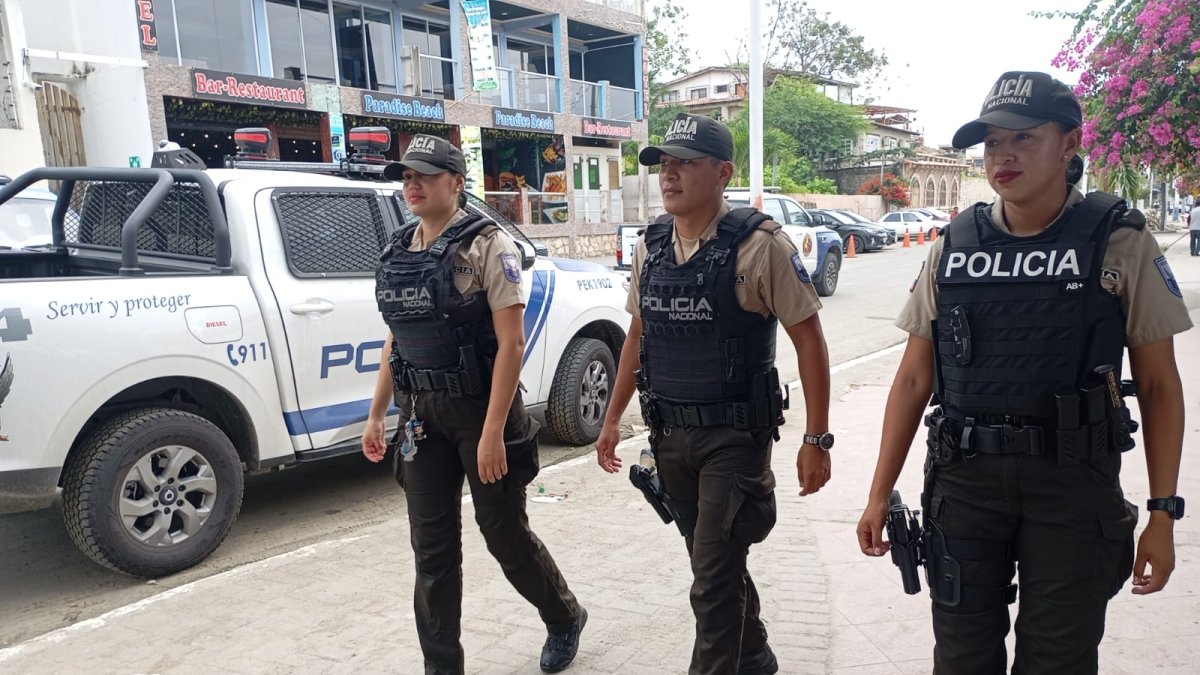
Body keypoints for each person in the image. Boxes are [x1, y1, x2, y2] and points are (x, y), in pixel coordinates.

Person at [856, 71, 1192, 673]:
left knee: (1058, 661)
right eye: (991, 144)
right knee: (961, 659)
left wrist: (1162, 513)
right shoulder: (953, 244)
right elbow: (913, 379)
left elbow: (1162, 387)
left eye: (1022, 139)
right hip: (964, 486)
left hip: (1071, 488)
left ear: (1069, 143)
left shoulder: (1119, 241)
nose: (1002, 156)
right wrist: (879, 493)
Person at [595, 112, 833, 675]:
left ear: (723, 172)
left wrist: (816, 438)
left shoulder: (760, 247)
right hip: (670, 433)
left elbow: (810, 340)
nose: (669, 175)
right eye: (664, 164)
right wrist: (611, 421)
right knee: (711, 558)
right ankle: (753, 651)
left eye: (686, 163)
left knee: (710, 582)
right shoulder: (651, 246)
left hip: (734, 437)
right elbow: (638, 334)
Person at [362, 134, 587, 675]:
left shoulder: (489, 246)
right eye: (406, 176)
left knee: (504, 534)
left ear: (456, 183)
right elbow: (397, 339)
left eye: (424, 175)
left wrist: (490, 433)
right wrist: (378, 413)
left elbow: (510, 343)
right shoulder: (400, 250)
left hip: (482, 413)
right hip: (422, 417)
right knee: (432, 555)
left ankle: (564, 616)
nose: (411, 184)